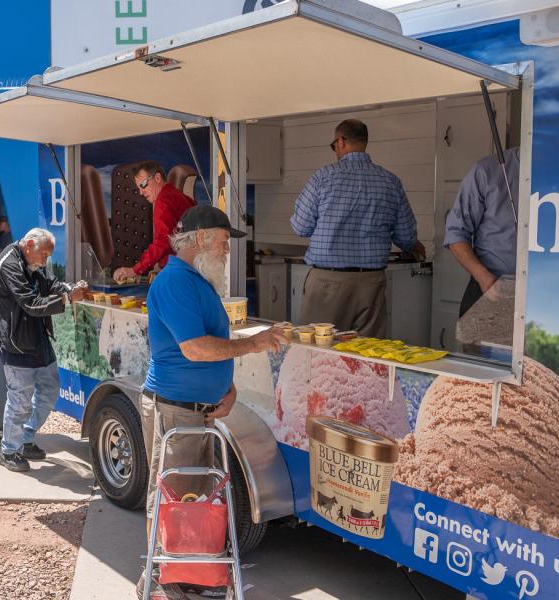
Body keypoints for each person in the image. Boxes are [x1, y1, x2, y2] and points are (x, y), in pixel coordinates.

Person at [136, 205, 286, 598]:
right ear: (201, 238)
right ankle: (164, 583)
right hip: (176, 408)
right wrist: (253, 344)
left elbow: (206, 349)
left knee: (191, 498)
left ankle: (185, 577)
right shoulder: (175, 282)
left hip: (194, 408)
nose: (226, 250)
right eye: (223, 241)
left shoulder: (194, 280)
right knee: (172, 497)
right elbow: (195, 349)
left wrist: (227, 388)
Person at [290, 119, 425, 337]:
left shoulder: (323, 177)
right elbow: (406, 236)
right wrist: (414, 245)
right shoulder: (390, 181)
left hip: (327, 283)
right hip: (371, 284)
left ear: (341, 141)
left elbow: (301, 226)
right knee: (368, 356)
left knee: (318, 354)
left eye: (334, 145)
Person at [0, 228, 87, 472]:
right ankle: (9, 450)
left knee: (51, 390)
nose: (45, 261)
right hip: (15, 343)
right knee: (20, 399)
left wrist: (66, 288)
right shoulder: (9, 265)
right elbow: (31, 304)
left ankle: (26, 437)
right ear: (29, 244)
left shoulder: (32, 259)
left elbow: (48, 282)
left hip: (36, 338)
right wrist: (67, 299)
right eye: (43, 254)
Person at [444, 147, 519, 317]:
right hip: (490, 290)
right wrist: (483, 277)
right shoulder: (487, 170)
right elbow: (455, 233)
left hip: (545, 303)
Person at [112, 160, 196, 284]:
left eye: (143, 185)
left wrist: (135, 270)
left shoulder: (163, 201)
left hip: (177, 273)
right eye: (139, 188)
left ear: (157, 178)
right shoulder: (180, 197)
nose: (141, 192)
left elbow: (162, 241)